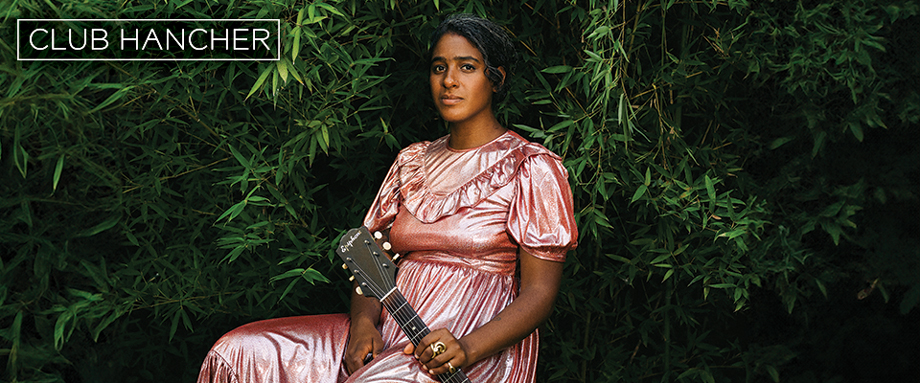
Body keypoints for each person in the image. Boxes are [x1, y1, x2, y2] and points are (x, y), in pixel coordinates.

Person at [197, 13, 577, 383]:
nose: (449, 81)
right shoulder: (410, 160)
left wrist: (467, 346)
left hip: (466, 345)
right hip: (390, 326)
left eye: (466, 67)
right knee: (238, 351)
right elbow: (369, 256)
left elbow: (540, 293)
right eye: (438, 67)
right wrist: (364, 324)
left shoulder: (530, 166)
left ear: (495, 79)